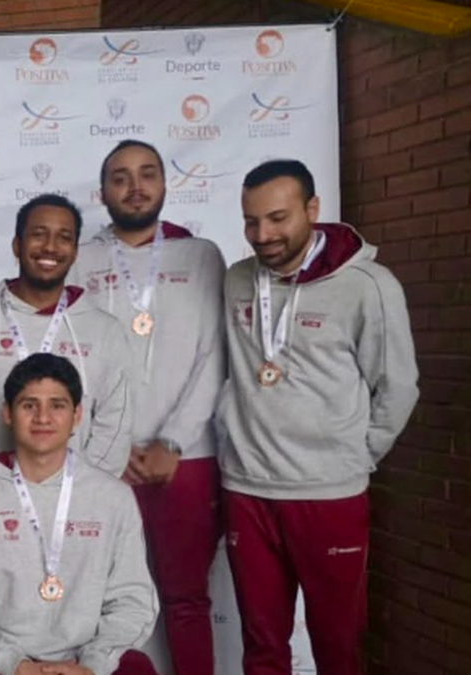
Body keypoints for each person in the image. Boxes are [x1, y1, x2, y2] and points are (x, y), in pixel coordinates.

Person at [219, 159, 418, 675]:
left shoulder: (369, 286)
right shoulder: (238, 280)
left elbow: (398, 387)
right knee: (262, 645)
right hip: (248, 490)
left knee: (337, 644)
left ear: (312, 209)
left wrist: (354, 456)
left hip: (328, 494)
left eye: (278, 218)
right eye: (251, 221)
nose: (262, 235)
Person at [67, 139, 224, 675]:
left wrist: (172, 440)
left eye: (147, 174)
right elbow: (72, 357)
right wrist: (111, 444)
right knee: (102, 601)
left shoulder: (201, 255)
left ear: (164, 183)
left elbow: (214, 357)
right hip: (107, 462)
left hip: (188, 458)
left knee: (186, 599)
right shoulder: (81, 259)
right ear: (104, 190)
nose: (135, 186)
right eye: (121, 177)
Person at [0, 353, 158, 675]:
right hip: (4, 661)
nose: (43, 417)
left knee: (138, 669)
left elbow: (133, 600)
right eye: (29, 405)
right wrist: (15, 664)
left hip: (87, 658)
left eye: (57, 405)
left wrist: (92, 665)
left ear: (77, 415)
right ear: (7, 413)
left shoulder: (114, 497)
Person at [0, 194, 132, 484]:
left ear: (76, 251)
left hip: (77, 505)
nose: (50, 246)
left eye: (63, 237)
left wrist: (82, 492)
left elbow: (113, 425)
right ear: (17, 245)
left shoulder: (105, 331)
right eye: (38, 235)